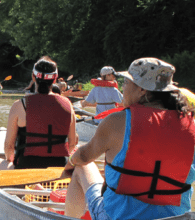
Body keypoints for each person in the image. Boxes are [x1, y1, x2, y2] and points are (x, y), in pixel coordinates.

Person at [64, 58, 195, 220]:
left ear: (141, 89)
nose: (123, 88)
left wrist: (69, 163)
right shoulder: (191, 124)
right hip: (175, 219)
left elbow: (83, 156)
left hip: (118, 217)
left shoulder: (117, 121)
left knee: (81, 167)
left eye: (126, 83)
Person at [0, 56, 77, 170]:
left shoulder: (19, 105)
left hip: (26, 167)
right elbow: (72, 144)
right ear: (54, 80)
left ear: (33, 77)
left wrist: (12, 163)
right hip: (58, 168)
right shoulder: (68, 104)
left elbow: (9, 147)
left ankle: (30, 184)